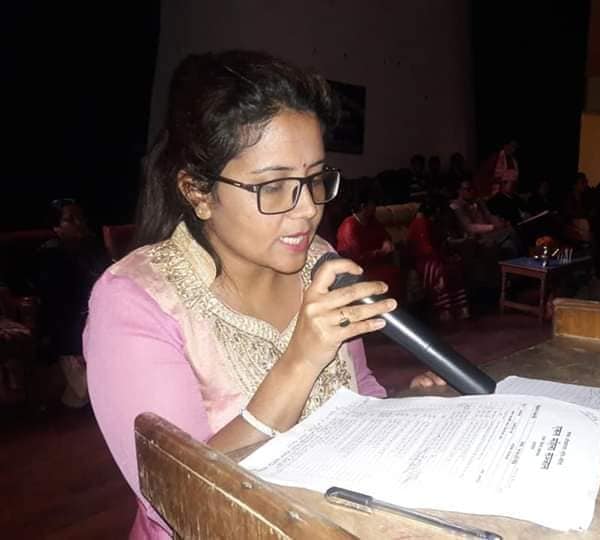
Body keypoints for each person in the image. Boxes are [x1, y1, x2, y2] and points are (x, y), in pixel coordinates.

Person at [83, 50, 444, 540]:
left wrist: (407, 409)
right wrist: (299, 362)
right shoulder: (135, 302)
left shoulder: (320, 261)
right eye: (273, 186)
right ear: (197, 192)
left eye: (314, 180)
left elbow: (359, 392)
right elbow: (180, 499)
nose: (307, 210)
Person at [33, 198, 109, 407]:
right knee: (84, 393)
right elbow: (58, 305)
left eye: (80, 218)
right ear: (56, 227)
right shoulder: (50, 255)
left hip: (98, 320)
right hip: (69, 330)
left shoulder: (93, 248)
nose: (79, 223)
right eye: (70, 219)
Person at [336, 185, 404, 301]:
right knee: (391, 274)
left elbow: (385, 235)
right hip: (359, 270)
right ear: (363, 206)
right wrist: (381, 252)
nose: (375, 207)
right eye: (373, 204)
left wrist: (386, 241)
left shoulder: (372, 221)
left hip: (377, 264)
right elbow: (356, 257)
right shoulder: (349, 226)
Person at [407, 199, 470, 321]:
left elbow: (441, 242)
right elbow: (425, 250)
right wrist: (443, 257)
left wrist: (449, 254)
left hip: (435, 256)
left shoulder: (433, 223)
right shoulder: (419, 223)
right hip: (422, 260)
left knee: (454, 267)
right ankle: (444, 309)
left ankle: (460, 308)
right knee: (439, 271)